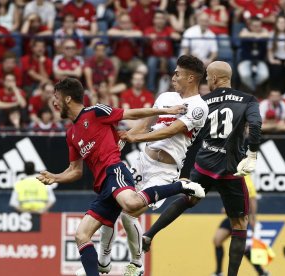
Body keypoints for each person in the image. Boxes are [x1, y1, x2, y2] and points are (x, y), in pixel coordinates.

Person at [37, 77, 205, 276]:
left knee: (131, 206)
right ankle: (103, 264)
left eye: (56, 98)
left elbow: (131, 113)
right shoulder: (71, 134)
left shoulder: (95, 112)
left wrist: (164, 111)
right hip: (101, 186)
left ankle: (180, 186)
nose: (53, 103)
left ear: (67, 99)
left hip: (114, 171)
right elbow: (75, 170)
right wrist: (55, 177)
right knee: (82, 235)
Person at [76, 55, 209, 276]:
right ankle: (103, 262)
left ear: (191, 77)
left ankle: (137, 264)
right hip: (142, 159)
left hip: (164, 170)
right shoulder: (165, 96)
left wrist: (134, 139)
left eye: (178, 73)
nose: (173, 76)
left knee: (130, 212)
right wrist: (125, 136)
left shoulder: (198, 107)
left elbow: (171, 130)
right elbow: (147, 125)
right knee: (113, 199)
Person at [140, 61, 262, 276]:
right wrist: (252, 154)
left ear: (214, 79)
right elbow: (256, 125)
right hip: (230, 168)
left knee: (188, 199)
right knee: (240, 224)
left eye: (207, 78)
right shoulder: (248, 100)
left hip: (205, 165)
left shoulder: (203, 101)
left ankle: (149, 234)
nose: (207, 81)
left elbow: (182, 128)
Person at [212, 175, 270, 276]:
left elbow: (252, 199)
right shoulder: (230, 173)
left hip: (242, 218)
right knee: (217, 240)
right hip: (231, 216)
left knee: (243, 248)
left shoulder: (245, 177)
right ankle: (218, 272)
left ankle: (262, 272)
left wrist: (252, 217)